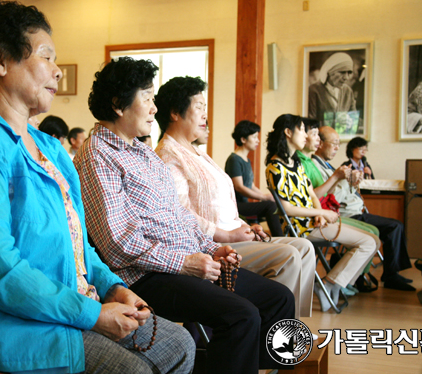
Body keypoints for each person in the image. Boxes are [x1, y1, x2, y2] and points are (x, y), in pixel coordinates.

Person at [0, 2, 194, 374]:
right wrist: (92, 314)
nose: (58, 71)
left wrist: (110, 288)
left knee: (179, 344)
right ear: (0, 61)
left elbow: (77, 242)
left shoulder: (46, 147)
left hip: (56, 308)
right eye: (47, 56)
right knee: (130, 370)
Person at [74, 57, 295, 374]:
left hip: (185, 262)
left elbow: (179, 214)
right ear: (118, 105)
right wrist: (184, 263)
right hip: (146, 276)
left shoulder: (142, 151)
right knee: (241, 315)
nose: (154, 109)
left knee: (279, 298)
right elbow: (117, 244)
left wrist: (210, 247)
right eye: (147, 99)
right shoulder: (98, 155)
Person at [154, 76, 315, 318]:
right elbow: (180, 213)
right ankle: (277, 331)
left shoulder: (197, 152)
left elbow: (224, 205)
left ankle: (292, 324)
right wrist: (228, 235)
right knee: (288, 256)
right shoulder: (167, 155)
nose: (205, 115)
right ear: (175, 113)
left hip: (234, 234)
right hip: (216, 245)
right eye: (199, 107)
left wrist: (245, 224)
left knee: (304, 247)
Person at [265, 114, 378, 312]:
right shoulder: (275, 167)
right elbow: (287, 209)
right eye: (302, 130)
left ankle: (332, 284)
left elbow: (310, 193)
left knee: (372, 241)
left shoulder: (296, 163)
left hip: (313, 222)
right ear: (288, 133)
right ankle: (329, 283)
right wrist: (320, 213)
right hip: (300, 228)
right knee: (368, 242)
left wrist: (319, 212)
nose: (305, 136)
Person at [312, 126, 414, 291]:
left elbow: (345, 192)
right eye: (334, 143)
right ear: (320, 143)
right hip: (344, 213)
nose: (337, 147)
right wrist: (344, 180)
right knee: (385, 229)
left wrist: (353, 184)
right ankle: (358, 279)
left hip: (353, 210)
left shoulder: (332, 167)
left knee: (392, 226)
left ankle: (357, 278)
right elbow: (330, 197)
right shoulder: (327, 167)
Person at [298, 118, 379, 294]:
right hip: (311, 221)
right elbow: (315, 197)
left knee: (374, 238)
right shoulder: (299, 163)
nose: (317, 139)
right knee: (371, 238)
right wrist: (336, 178)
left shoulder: (308, 162)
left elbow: (322, 195)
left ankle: (340, 283)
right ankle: (335, 283)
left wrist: (349, 181)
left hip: (323, 214)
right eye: (312, 134)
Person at [225, 119, 283, 236]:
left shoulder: (247, 160)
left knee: (274, 202)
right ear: (243, 139)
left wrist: (265, 196)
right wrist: (263, 197)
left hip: (244, 204)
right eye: (255, 137)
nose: (258, 140)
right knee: (270, 206)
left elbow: (250, 185)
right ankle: (280, 239)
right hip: (236, 205)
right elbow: (239, 187)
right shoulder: (234, 159)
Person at [308, 52, 358, 134]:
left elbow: (354, 116)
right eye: (342, 72)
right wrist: (335, 121)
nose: (346, 77)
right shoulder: (314, 90)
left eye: (349, 73)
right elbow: (311, 122)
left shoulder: (348, 91)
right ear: (330, 72)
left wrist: (351, 122)